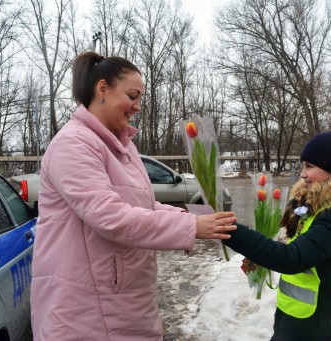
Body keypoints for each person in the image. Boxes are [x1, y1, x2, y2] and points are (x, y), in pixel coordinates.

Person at [30, 51, 237, 341]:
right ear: (102, 89)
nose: (138, 106)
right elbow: (110, 216)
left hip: (123, 300)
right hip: (89, 310)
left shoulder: (123, 145)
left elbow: (143, 205)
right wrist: (191, 228)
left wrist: (192, 218)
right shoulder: (73, 144)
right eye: (132, 95)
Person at [224, 115, 331, 341]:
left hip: (324, 326)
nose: (303, 174)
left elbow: (292, 258)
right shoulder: (315, 207)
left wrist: (229, 230)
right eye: (302, 166)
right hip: (299, 319)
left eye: (309, 166)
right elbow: (301, 247)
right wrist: (261, 253)